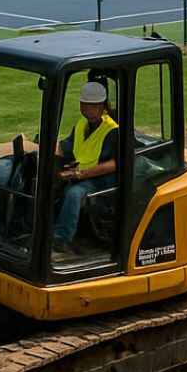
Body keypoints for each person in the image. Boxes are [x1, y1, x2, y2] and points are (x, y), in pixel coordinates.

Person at [54, 81, 118, 250]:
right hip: (80, 173)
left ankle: (61, 239)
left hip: (101, 180)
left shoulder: (112, 130)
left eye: (92, 105)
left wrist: (80, 174)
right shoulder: (82, 124)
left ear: (102, 106)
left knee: (74, 194)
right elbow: (65, 147)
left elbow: (114, 164)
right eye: (85, 105)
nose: (88, 109)